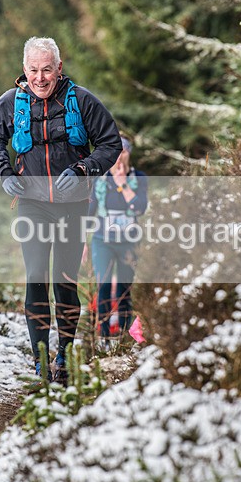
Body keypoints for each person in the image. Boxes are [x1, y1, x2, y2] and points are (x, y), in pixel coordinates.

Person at [0, 36, 122, 384]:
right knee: (36, 277)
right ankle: (40, 360)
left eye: (46, 69)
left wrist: (83, 169)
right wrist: (4, 173)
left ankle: (64, 355)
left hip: (73, 206)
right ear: (24, 69)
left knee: (64, 282)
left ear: (59, 68)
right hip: (32, 205)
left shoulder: (82, 101)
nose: (40, 78)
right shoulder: (11, 103)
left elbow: (111, 143)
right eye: (33, 70)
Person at [87, 134, 148, 347]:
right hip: (102, 241)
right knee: (103, 286)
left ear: (129, 153)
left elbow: (139, 208)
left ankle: (123, 337)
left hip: (129, 242)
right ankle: (103, 336)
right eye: (115, 151)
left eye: (123, 151)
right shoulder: (100, 180)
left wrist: (123, 184)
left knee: (124, 288)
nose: (119, 156)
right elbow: (90, 212)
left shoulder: (138, 178)